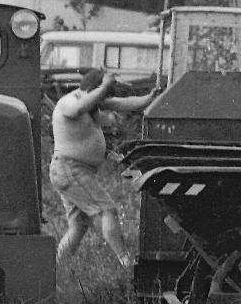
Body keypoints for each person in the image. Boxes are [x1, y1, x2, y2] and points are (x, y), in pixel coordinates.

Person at [49, 69, 160, 269]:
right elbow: (76, 111)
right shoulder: (69, 101)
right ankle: (125, 260)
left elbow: (123, 103)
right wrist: (104, 87)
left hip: (72, 170)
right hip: (70, 169)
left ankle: (57, 267)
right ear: (94, 89)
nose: (105, 101)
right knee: (107, 210)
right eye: (102, 94)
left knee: (79, 225)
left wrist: (149, 98)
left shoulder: (92, 103)